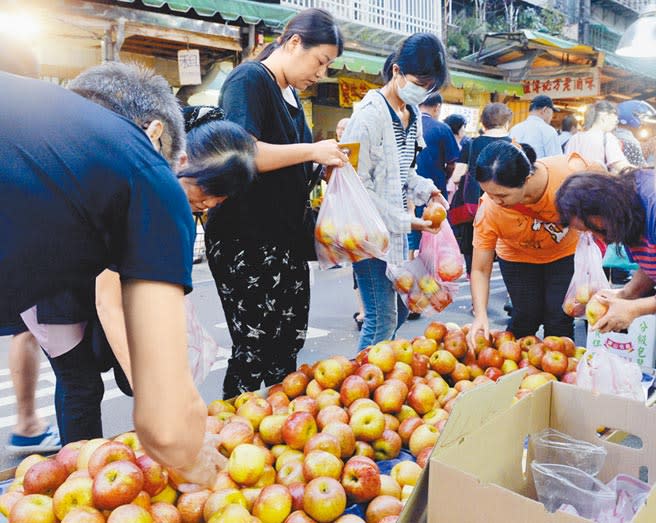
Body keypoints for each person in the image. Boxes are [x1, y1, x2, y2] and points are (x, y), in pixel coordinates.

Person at [1, 71, 223, 485]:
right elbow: (166, 429)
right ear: (156, 133)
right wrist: (200, 463)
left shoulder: (36, 117)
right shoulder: (144, 169)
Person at [211, 8, 348, 398]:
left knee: (285, 347)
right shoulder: (250, 79)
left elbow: (288, 163)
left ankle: (276, 436)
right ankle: (234, 434)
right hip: (245, 239)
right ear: (292, 43)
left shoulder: (290, 95)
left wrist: (322, 166)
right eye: (320, 61)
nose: (320, 74)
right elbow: (244, 153)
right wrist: (313, 150)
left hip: (282, 241)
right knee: (253, 350)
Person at [341, 32, 450, 350]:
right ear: (397, 71)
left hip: (397, 233)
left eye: (429, 85)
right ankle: (360, 388)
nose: (423, 90)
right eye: (419, 81)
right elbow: (356, 185)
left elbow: (407, 172)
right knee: (381, 317)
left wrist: (429, 191)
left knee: (404, 307)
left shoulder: (413, 114)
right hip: (367, 232)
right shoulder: (368, 117)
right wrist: (408, 221)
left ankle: (377, 370)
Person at [467, 141, 601, 348]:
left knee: (559, 318)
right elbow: (480, 269)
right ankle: (513, 375)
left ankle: (558, 378)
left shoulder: (567, 175)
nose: (495, 200)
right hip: (516, 258)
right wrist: (481, 315)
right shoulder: (490, 210)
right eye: (488, 193)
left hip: (563, 255)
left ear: (526, 178)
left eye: (502, 195)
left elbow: (603, 176)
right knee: (525, 316)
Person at [0, 33, 61, 453]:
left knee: (23, 330)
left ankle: (27, 422)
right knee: (25, 328)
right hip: (18, 236)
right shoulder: (29, 115)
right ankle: (25, 421)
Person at [556, 168, 656, 333]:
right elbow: (651, 262)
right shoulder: (626, 213)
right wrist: (625, 294)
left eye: (591, 228)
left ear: (600, 208)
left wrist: (635, 308)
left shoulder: (652, 204)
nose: (596, 237)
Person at [455, 102, 513, 276]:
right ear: (507, 123)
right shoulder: (515, 145)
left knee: (475, 258)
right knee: (506, 253)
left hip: (476, 209)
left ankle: (477, 300)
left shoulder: (471, 144)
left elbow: (458, 176)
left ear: (483, 123)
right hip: (505, 208)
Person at [565, 100, 630, 174]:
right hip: (597, 184)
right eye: (615, 121)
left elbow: (566, 165)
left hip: (574, 184)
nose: (615, 125)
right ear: (604, 117)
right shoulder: (607, 137)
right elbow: (622, 166)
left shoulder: (574, 138)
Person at [615, 100, 655, 167]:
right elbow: (642, 168)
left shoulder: (610, 135)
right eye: (640, 117)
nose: (642, 122)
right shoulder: (631, 141)